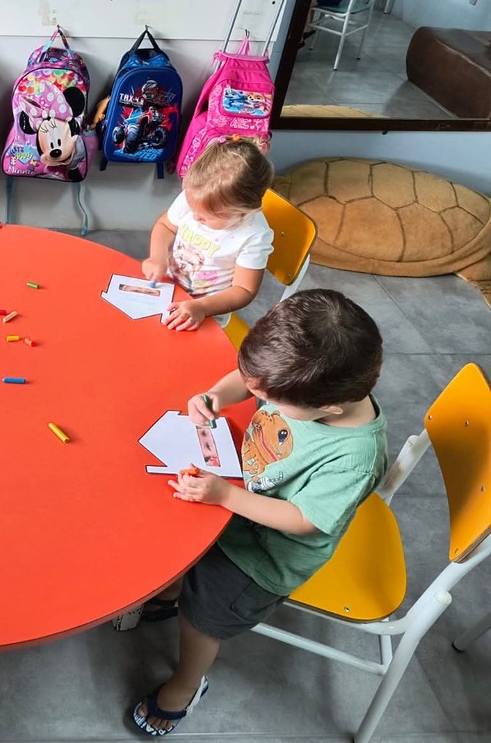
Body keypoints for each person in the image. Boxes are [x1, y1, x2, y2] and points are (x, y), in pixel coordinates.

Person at [128, 289, 387, 736]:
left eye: (270, 399)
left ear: (327, 408)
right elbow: (250, 379)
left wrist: (225, 498)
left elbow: (305, 521)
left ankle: (186, 685)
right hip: (240, 496)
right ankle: (171, 594)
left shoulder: (355, 458)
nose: (259, 397)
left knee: (203, 617)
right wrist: (215, 396)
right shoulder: (303, 385)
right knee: (177, 536)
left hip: (266, 555)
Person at [140, 138, 275, 331]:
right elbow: (165, 227)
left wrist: (202, 307)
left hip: (205, 312)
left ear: (243, 211)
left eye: (206, 217)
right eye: (192, 208)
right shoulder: (195, 196)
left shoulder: (254, 235)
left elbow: (244, 290)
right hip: (167, 288)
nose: (195, 217)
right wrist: (157, 258)